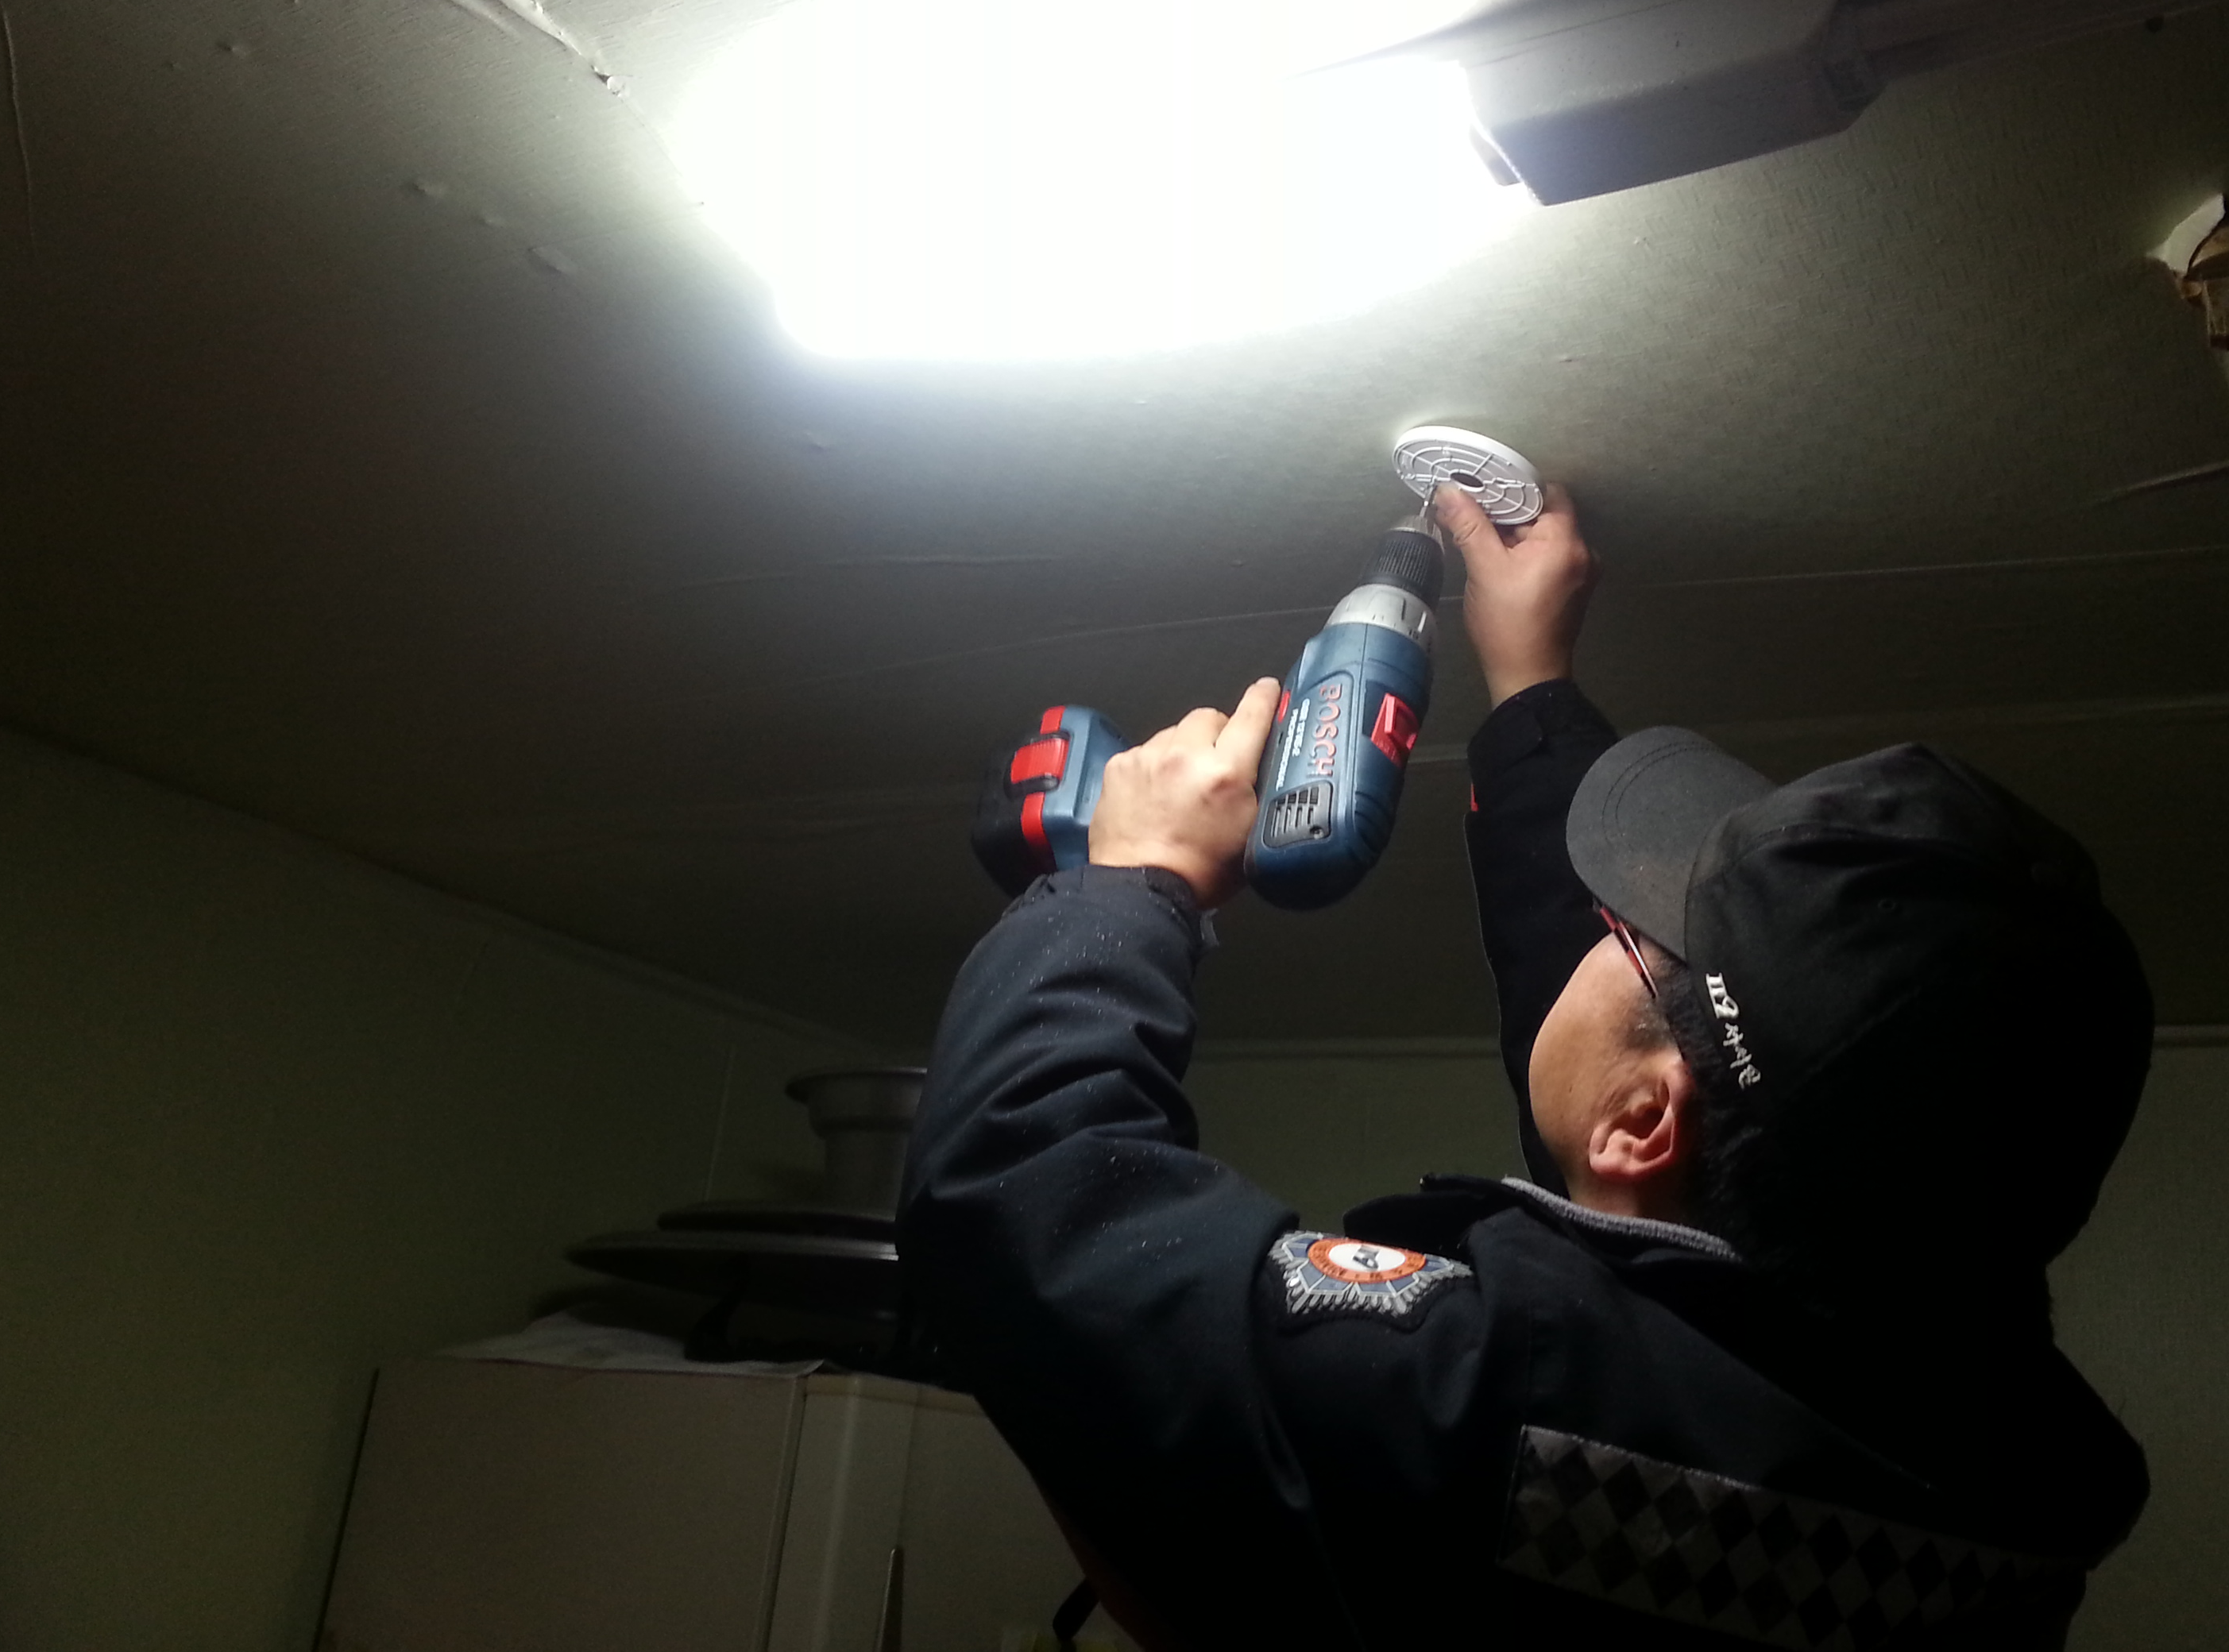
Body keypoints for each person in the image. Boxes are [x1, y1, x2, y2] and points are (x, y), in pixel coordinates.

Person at [899, 484, 2154, 1652]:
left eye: (1629, 927)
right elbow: (1642, 1079)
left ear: (1643, 1123)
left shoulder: (1485, 1411)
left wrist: (1130, 889)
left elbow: (1030, 1214)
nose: (1601, 923)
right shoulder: (1994, 1448)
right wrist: (1529, 690)